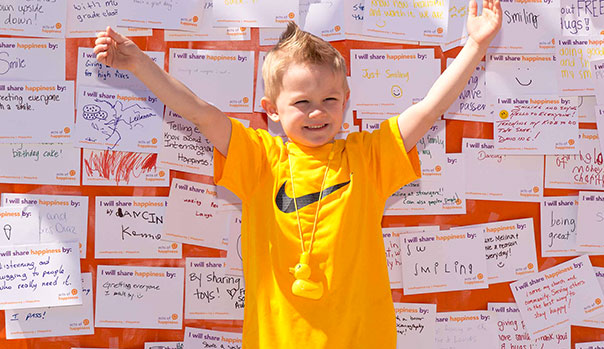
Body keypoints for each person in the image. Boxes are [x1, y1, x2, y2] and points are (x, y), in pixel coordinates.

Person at [94, 1, 501, 347]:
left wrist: (476, 44)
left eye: (329, 99)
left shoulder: (369, 158)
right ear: (271, 109)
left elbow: (428, 109)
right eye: (302, 102)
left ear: (346, 101)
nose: (317, 112)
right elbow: (200, 113)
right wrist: (139, 62)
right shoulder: (259, 159)